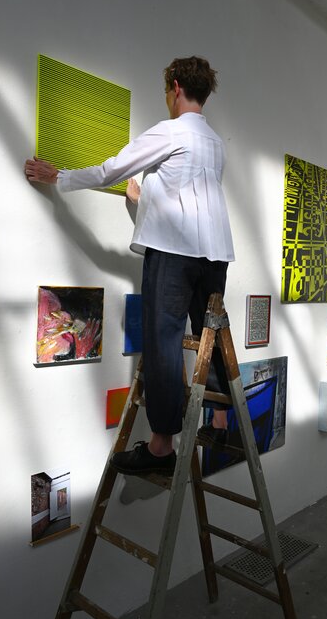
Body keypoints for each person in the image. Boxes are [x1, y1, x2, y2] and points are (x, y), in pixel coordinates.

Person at [25, 56, 235, 476]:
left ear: (176, 88)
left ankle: (160, 447)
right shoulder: (215, 144)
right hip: (215, 255)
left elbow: (111, 170)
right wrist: (143, 201)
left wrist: (60, 177)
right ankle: (219, 420)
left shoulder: (171, 131)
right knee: (207, 332)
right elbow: (188, 196)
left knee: (163, 341)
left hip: (174, 254)